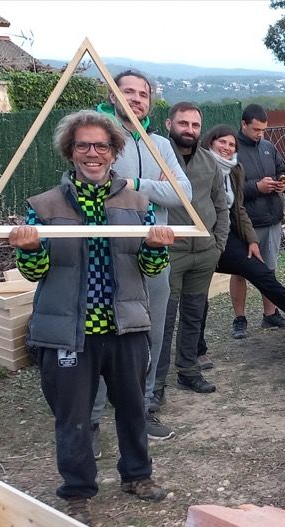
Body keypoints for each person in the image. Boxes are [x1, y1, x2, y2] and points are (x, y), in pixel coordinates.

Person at [9, 110, 170, 526]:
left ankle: (137, 475)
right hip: (67, 331)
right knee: (73, 418)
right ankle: (77, 491)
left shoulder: (138, 203)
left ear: (114, 152)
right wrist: (29, 249)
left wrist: (156, 246)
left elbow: (150, 269)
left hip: (125, 326)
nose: (92, 153)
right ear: (70, 151)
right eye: (83, 145)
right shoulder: (45, 205)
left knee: (133, 408)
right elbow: (35, 274)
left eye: (101, 145)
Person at [90, 69, 192, 442]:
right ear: (112, 94)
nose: (135, 99)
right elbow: (97, 189)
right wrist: (154, 189)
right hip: (104, 255)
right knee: (99, 337)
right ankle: (92, 420)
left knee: (152, 332)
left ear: (150, 101)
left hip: (153, 253)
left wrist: (133, 185)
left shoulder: (160, 145)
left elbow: (183, 194)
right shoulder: (96, 139)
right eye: (127, 91)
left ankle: (144, 407)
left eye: (142, 94)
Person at [154, 102, 229, 401]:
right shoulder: (157, 157)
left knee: (194, 316)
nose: (190, 130)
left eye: (195, 125)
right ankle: (155, 386)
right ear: (169, 124)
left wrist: (218, 244)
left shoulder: (209, 162)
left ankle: (188, 371)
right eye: (183, 124)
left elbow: (221, 204)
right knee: (164, 319)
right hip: (170, 252)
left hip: (204, 251)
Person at [231, 104, 285, 337]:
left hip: (271, 219)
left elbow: (281, 170)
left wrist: (283, 183)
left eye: (264, 130)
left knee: (270, 269)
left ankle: (270, 314)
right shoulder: (231, 150)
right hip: (245, 222)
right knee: (240, 271)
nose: (260, 134)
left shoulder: (268, 147)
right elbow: (227, 189)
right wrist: (256, 187)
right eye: (256, 130)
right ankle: (239, 318)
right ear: (243, 125)